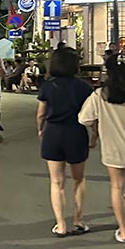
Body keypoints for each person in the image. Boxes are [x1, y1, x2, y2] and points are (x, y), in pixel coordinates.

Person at [78, 54, 125, 243]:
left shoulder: (99, 96)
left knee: (117, 186)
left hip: (113, 149)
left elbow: (83, 119)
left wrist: (97, 129)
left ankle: (123, 231)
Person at [37, 48, 93, 237]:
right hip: (76, 132)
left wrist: (40, 129)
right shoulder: (84, 87)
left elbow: (40, 114)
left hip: (53, 133)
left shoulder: (47, 86)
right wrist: (95, 135)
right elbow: (92, 115)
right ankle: (78, 220)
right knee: (78, 179)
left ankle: (60, 225)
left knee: (56, 182)